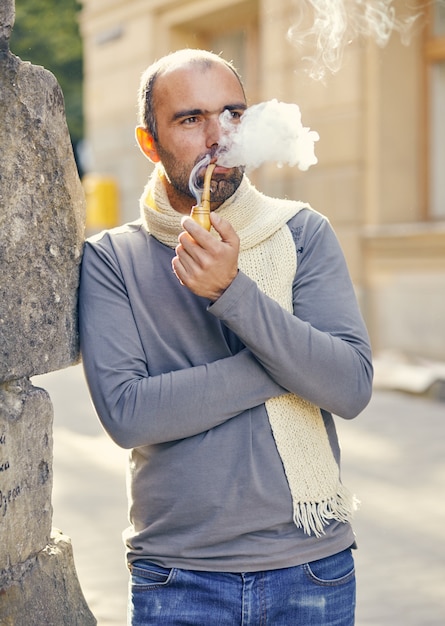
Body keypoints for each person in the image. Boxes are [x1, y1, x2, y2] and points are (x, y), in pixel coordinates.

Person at [79, 48, 373, 626]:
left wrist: (232, 293)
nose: (219, 136)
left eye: (233, 113)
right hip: (177, 576)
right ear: (150, 142)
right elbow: (129, 415)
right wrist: (289, 362)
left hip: (312, 569)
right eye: (191, 119)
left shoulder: (303, 232)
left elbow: (350, 387)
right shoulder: (112, 258)